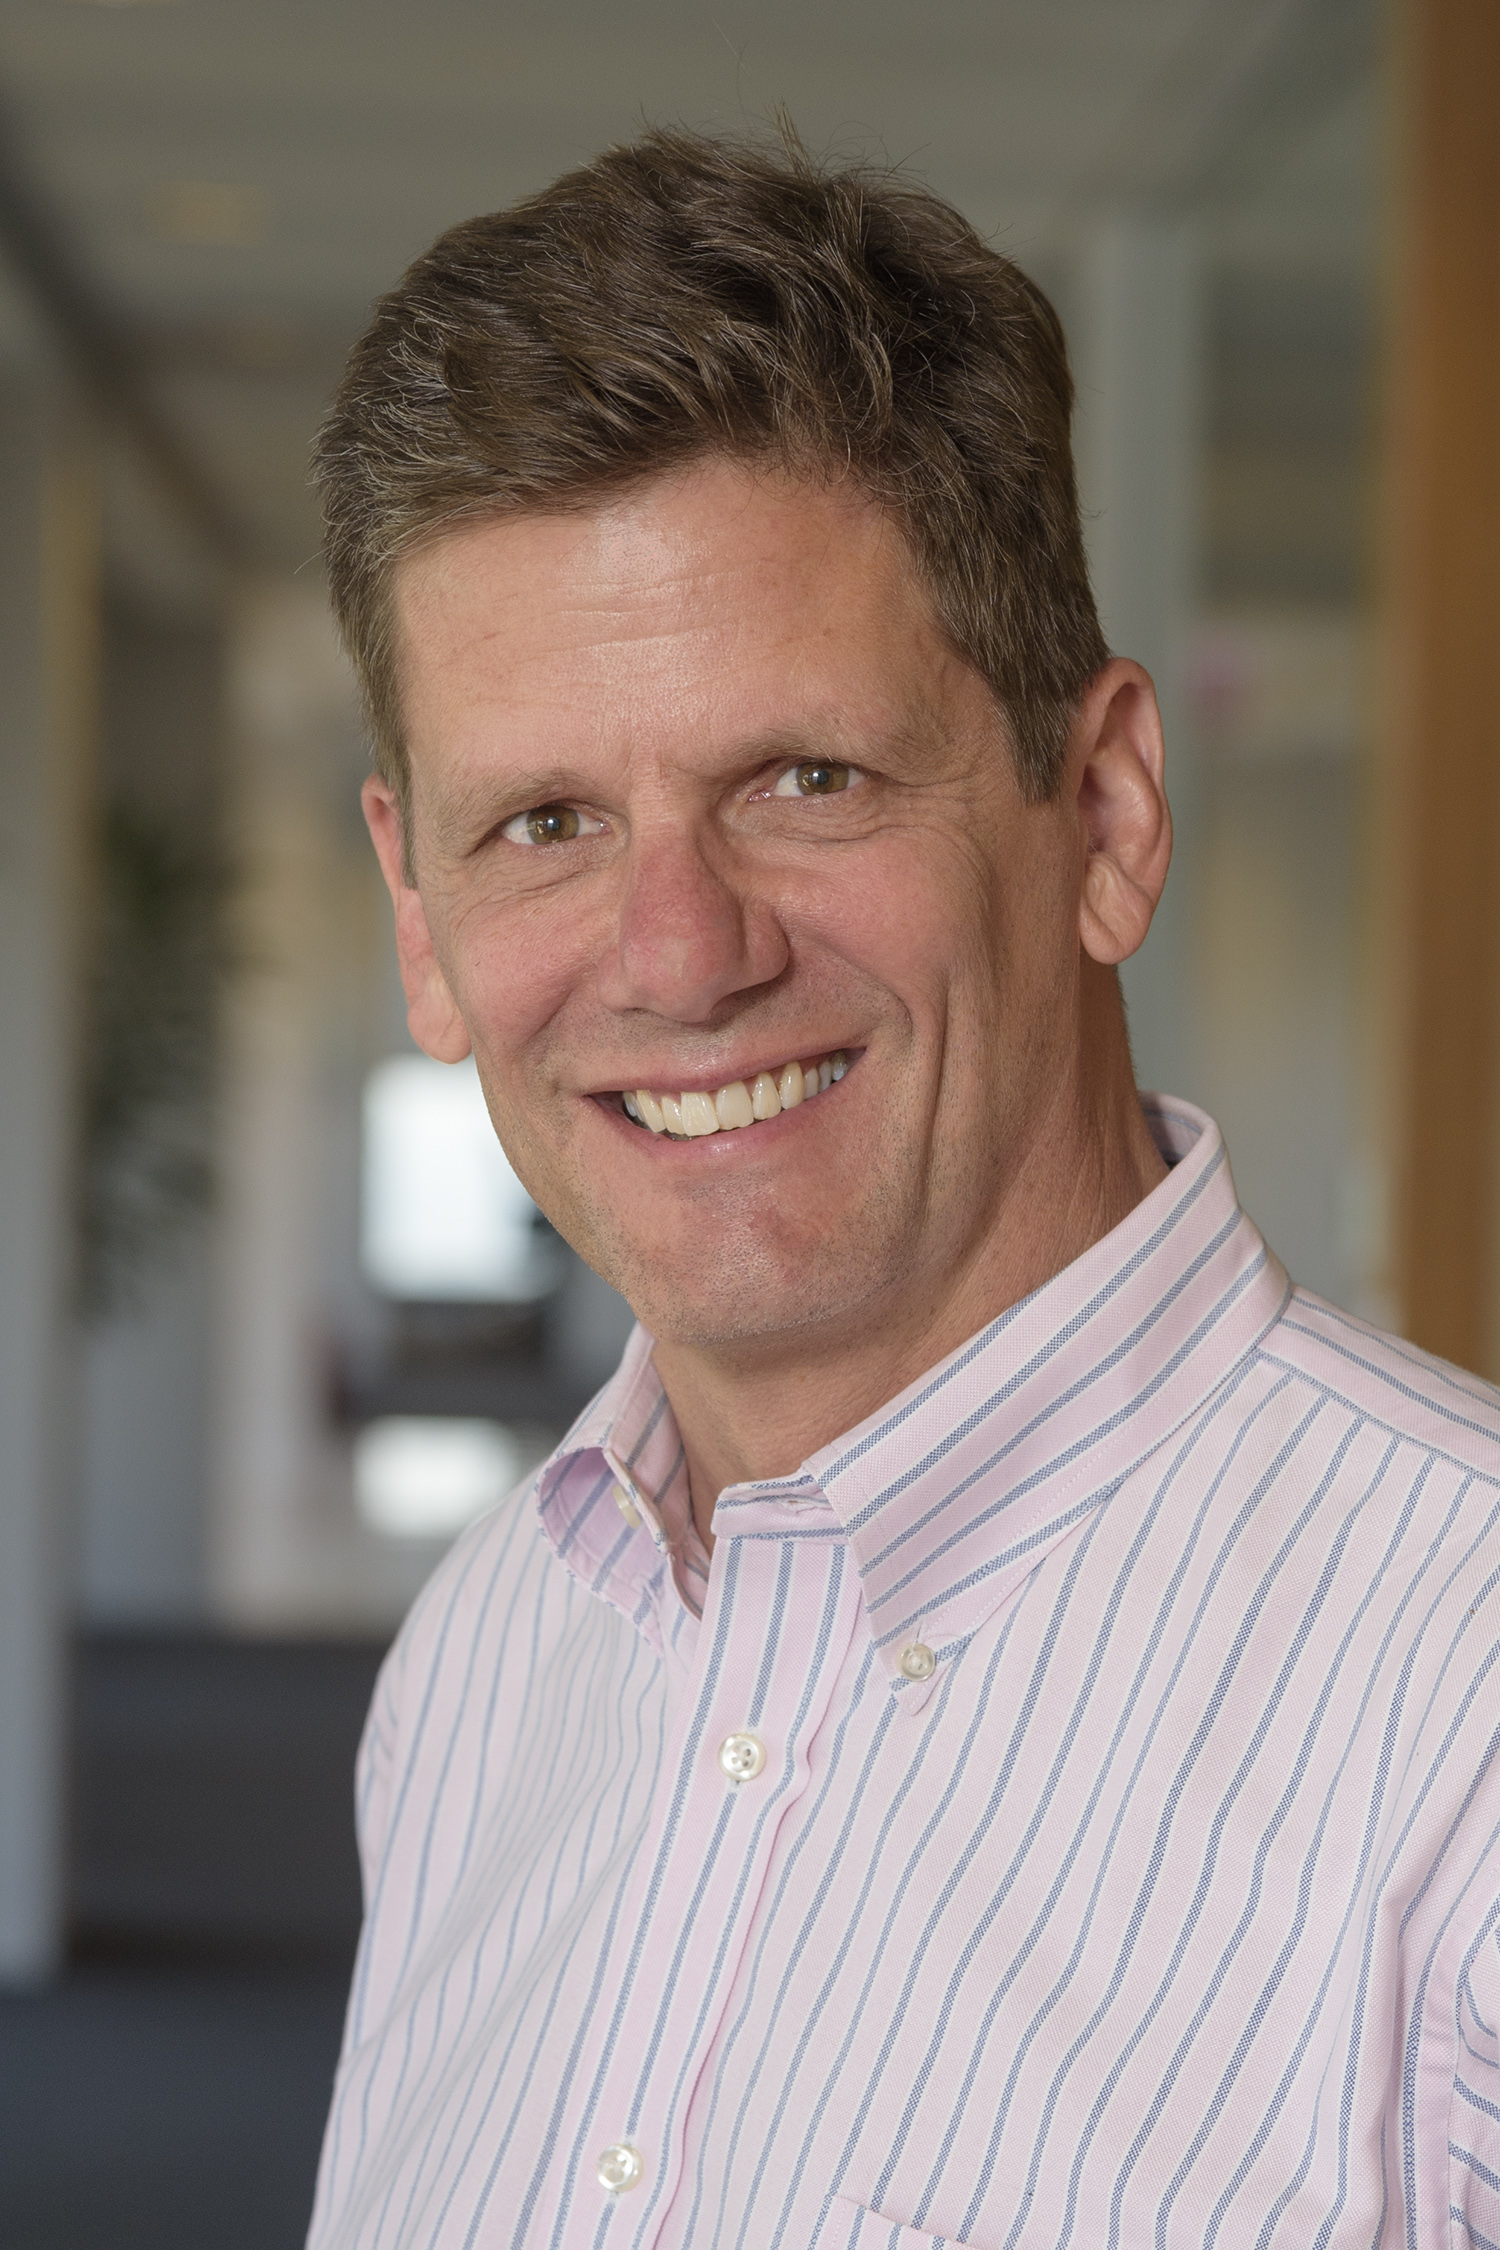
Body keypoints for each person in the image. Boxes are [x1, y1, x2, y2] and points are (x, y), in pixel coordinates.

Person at [306, 129, 1500, 2250]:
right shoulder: (482, 1663)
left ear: (1104, 810)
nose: (681, 956)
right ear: (420, 914)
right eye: (546, 824)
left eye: (808, 778)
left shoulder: (1462, 1717)